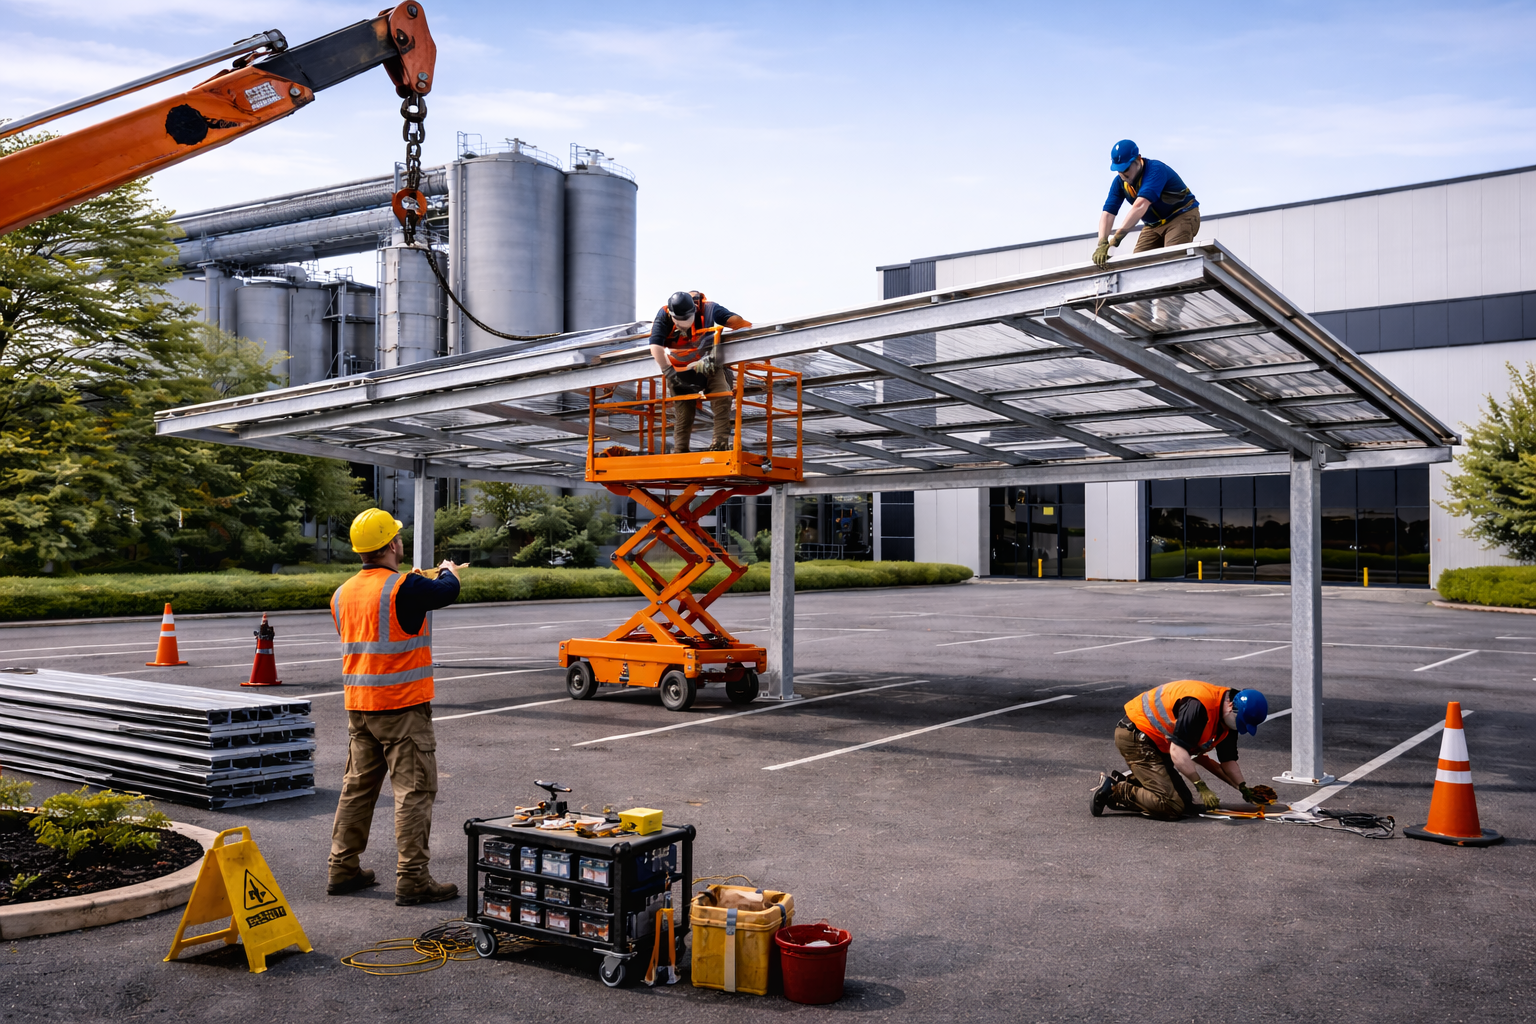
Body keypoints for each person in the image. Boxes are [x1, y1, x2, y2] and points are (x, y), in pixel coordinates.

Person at [327, 507, 465, 906]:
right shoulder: (403, 587)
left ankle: (343, 868)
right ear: (391, 545)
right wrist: (448, 569)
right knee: (413, 793)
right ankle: (413, 879)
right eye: (398, 538)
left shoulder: (342, 593)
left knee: (356, 790)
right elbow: (447, 591)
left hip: (360, 707)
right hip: (403, 708)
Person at [1091, 680, 1268, 819]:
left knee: (1185, 804)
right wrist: (1201, 786)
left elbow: (1227, 762)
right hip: (1136, 735)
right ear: (1231, 707)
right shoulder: (1199, 706)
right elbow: (1178, 753)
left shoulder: (1228, 722)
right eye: (1241, 723)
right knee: (1170, 806)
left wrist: (1244, 788)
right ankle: (1116, 791)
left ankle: (1139, 781)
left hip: (1157, 743)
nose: (1240, 728)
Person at [649, 290, 752, 452]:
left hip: (708, 364)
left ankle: (719, 442)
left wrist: (738, 328)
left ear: (695, 309)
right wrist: (669, 371)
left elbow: (738, 323)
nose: (682, 323)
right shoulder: (664, 314)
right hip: (679, 368)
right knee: (683, 408)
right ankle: (680, 449)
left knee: (722, 397)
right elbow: (655, 347)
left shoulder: (710, 309)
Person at [1091, 140, 1200, 267]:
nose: (1123, 175)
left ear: (1138, 159)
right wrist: (1102, 243)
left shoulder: (1155, 170)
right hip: (1153, 225)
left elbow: (1140, 206)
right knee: (1137, 265)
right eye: (1118, 170)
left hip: (1180, 216)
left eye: (1126, 169)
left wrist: (1115, 240)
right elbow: (1108, 213)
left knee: (1172, 262)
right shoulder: (1120, 182)